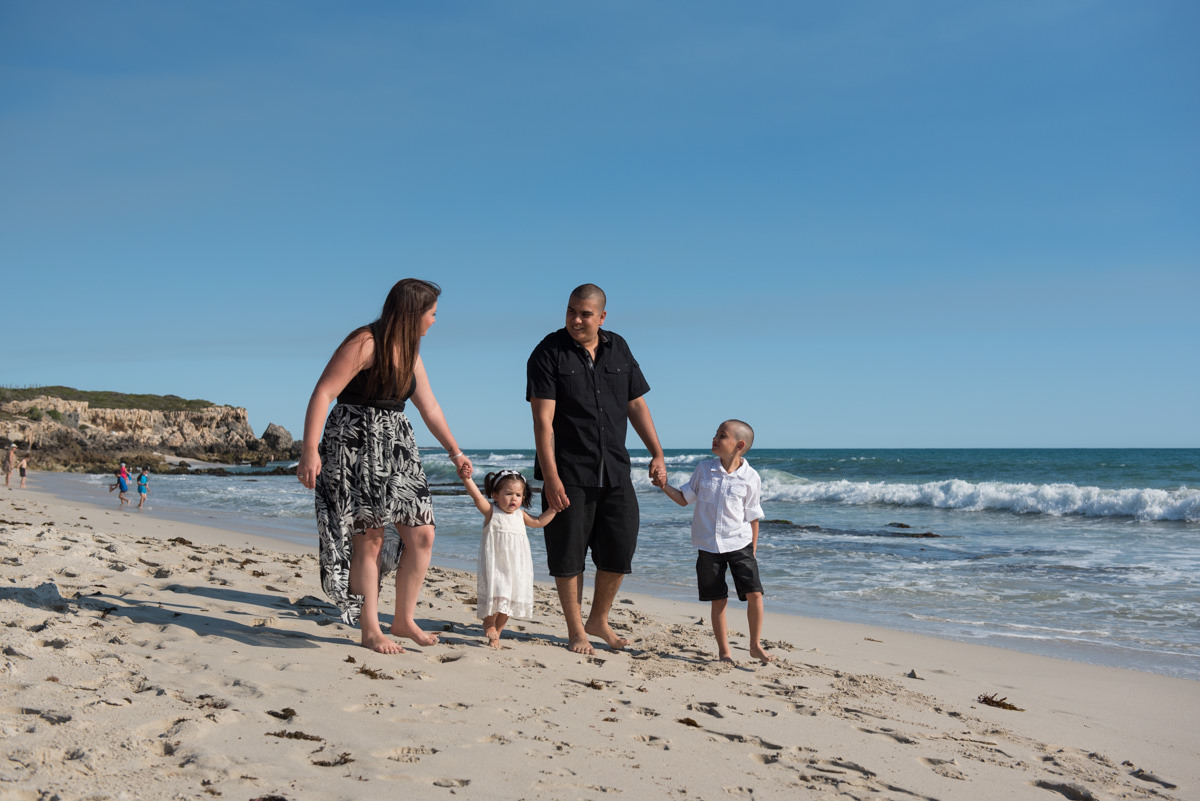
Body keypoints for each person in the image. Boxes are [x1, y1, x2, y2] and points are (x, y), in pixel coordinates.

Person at [297, 278, 472, 654]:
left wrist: (456, 453)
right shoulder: (365, 342)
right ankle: (370, 629)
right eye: (432, 314)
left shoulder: (411, 351)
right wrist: (309, 450)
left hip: (396, 449)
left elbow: (430, 407)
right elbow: (324, 392)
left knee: (422, 533)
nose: (435, 321)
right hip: (356, 447)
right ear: (413, 313)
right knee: (370, 539)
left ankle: (403, 619)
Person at [527, 283, 666, 655]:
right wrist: (551, 476)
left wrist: (657, 452)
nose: (576, 319)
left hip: (616, 470)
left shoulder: (618, 347)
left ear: (601, 317)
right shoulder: (548, 352)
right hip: (570, 471)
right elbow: (543, 422)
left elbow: (636, 405)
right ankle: (576, 630)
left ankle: (598, 619)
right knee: (567, 555)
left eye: (585, 314)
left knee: (620, 549)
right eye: (571, 311)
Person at [655, 420, 772, 664]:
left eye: (722, 435)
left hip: (740, 545)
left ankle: (754, 645)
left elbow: (753, 516)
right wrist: (664, 485)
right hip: (708, 545)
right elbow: (684, 499)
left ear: (739, 445)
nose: (715, 438)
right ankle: (724, 652)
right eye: (716, 434)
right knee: (718, 600)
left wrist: (753, 550)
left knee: (755, 594)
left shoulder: (751, 477)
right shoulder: (704, 469)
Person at [460, 468, 557, 649]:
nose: (514, 499)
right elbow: (477, 498)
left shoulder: (521, 515)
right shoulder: (492, 512)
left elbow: (539, 522)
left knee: (509, 601)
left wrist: (554, 509)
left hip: (517, 566)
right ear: (495, 495)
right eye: (508, 493)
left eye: (518, 495)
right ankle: (489, 623)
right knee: (496, 595)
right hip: (496, 565)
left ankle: (498, 632)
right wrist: (467, 479)